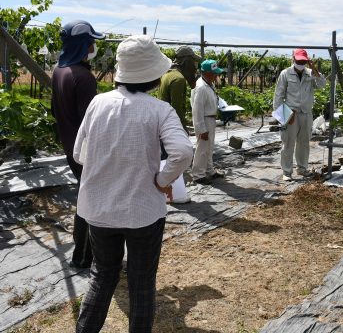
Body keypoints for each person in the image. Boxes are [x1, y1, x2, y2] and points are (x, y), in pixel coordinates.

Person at [73, 35, 193, 332]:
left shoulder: (98, 103)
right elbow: (183, 152)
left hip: (99, 209)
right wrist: (163, 180)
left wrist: (107, 170)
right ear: (153, 75)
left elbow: (79, 154)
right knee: (141, 282)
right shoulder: (159, 110)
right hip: (143, 211)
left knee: (102, 276)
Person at [51, 19, 105, 269]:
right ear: (83, 45)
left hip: (68, 143)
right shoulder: (84, 77)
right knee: (90, 199)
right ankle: (83, 256)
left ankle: (84, 252)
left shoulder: (59, 71)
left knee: (86, 194)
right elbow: (91, 122)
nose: (94, 46)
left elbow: (55, 110)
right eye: (91, 42)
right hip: (85, 149)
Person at [273, 48, 326, 181]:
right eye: (298, 60)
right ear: (293, 59)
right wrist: (284, 117)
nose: (300, 63)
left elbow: (322, 85)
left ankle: (302, 169)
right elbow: (278, 96)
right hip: (291, 113)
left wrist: (314, 68)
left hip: (306, 114)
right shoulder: (285, 74)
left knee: (304, 143)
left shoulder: (310, 73)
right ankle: (286, 172)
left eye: (303, 61)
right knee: (288, 143)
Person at [191, 59, 226, 185]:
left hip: (210, 118)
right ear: (206, 72)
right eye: (214, 73)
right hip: (204, 120)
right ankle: (198, 175)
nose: (216, 75)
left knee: (209, 147)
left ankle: (209, 170)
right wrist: (201, 129)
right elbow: (197, 110)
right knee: (202, 148)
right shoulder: (201, 87)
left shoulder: (209, 84)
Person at [157, 45, 199, 128]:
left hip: (163, 123)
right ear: (187, 61)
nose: (195, 66)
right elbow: (176, 109)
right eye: (193, 61)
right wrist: (183, 128)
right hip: (171, 126)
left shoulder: (167, 74)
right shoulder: (178, 79)